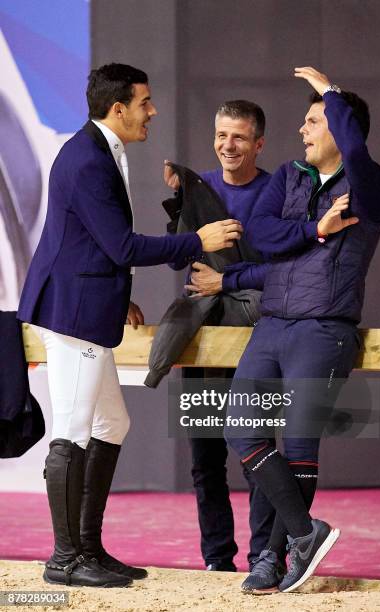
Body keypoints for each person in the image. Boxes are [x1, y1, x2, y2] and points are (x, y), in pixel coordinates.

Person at [17, 63, 242, 588]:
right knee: (71, 433)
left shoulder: (97, 150)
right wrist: (198, 240)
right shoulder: (87, 160)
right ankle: (65, 559)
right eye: (145, 103)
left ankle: (88, 549)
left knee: (111, 425)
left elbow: (87, 241)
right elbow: (122, 245)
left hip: (88, 303)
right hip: (72, 314)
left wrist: (118, 297)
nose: (153, 111)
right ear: (118, 108)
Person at [223, 66, 380, 594]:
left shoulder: (369, 183)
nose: (303, 130)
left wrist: (332, 93)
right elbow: (265, 235)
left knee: (298, 449)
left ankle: (272, 561)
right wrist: (316, 229)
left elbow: (357, 153)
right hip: (272, 325)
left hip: (324, 330)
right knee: (240, 430)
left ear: (340, 130)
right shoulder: (290, 176)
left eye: (313, 120)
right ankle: (304, 532)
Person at [163, 100, 275, 572]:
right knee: (206, 456)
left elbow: (287, 270)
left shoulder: (278, 191)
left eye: (239, 138)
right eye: (221, 136)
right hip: (204, 339)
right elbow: (175, 259)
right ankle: (216, 560)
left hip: (257, 340)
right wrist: (181, 203)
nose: (228, 146)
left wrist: (224, 281)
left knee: (259, 453)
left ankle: (265, 556)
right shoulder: (200, 186)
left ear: (258, 144)